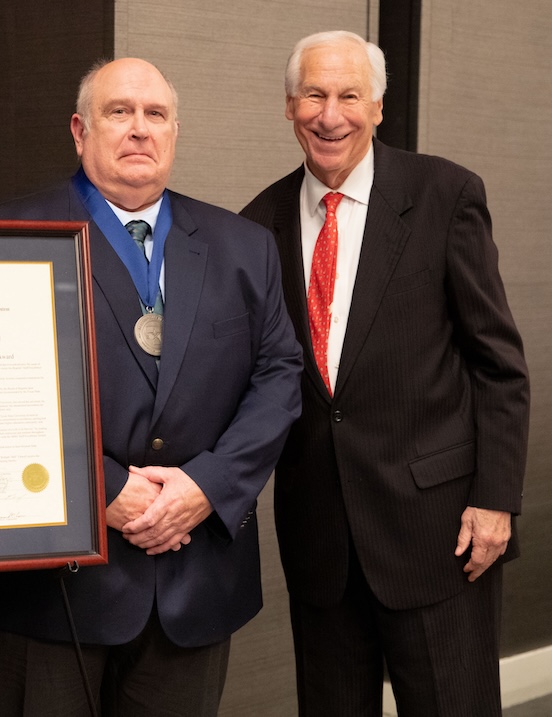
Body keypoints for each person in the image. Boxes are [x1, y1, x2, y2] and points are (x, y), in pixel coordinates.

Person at [0, 57, 303, 716]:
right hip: (45, 590)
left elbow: (279, 375)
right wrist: (99, 491)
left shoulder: (243, 245)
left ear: (174, 133)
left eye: (156, 114)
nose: (140, 128)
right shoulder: (3, 238)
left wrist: (208, 484)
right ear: (81, 131)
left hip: (194, 578)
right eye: (120, 112)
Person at [240, 30, 530, 717]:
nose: (330, 114)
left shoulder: (444, 194)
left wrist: (496, 501)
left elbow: (499, 365)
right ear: (289, 106)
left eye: (348, 95)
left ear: (376, 107)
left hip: (439, 533)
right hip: (321, 543)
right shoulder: (258, 225)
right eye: (313, 94)